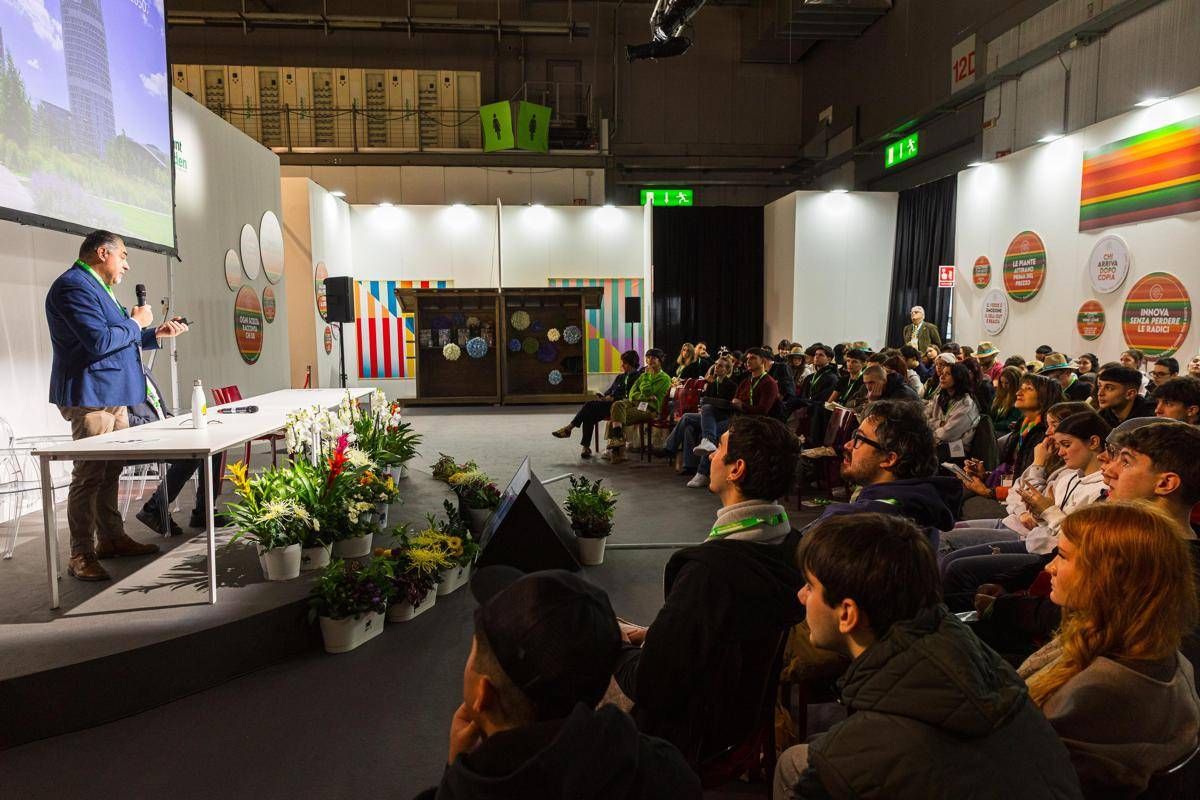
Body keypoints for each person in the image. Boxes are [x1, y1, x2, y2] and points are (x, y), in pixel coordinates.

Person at [774, 512, 1082, 800]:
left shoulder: (853, 751)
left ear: (847, 614)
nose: (801, 595)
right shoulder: (975, 657)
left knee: (791, 762)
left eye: (810, 586)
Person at [415, 567, 701, 800]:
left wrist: (456, 771)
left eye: (474, 650)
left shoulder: (463, 792)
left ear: (483, 693)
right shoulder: (666, 770)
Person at [614, 416, 804, 765]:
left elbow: (649, 685)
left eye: (720, 448)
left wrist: (616, 644)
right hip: (740, 716)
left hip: (690, 734)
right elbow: (727, 631)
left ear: (736, 469)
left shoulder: (710, 573)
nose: (712, 455)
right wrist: (653, 634)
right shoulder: (793, 544)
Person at [1018, 503, 1200, 798]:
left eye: (1062, 556)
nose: (1049, 567)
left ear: (1110, 575)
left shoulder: (1099, 692)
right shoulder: (1155, 651)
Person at [46, 230, 189, 581]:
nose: (127, 264)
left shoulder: (98, 288)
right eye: (123, 256)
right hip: (91, 397)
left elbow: (117, 338)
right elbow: (98, 342)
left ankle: (111, 539)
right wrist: (136, 322)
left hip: (114, 395)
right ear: (102, 253)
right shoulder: (73, 286)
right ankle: (80, 553)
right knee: (89, 475)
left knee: (111, 471)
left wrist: (153, 333)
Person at [941, 411, 1111, 610]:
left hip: (1043, 548)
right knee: (949, 545)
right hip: (1034, 538)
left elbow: (1075, 536)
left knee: (957, 566)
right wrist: (1036, 510)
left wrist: (1045, 510)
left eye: (1066, 445)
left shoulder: (1102, 488)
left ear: (1093, 442)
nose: (1059, 452)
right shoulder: (1069, 475)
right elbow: (1022, 491)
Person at [807, 399, 961, 533]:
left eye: (859, 439)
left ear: (889, 459)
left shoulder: (850, 521)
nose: (847, 445)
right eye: (854, 435)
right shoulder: (923, 505)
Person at [949, 399, 1087, 547]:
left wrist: (989, 491)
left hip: (1032, 535)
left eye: (1054, 425)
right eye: (1048, 425)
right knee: (952, 510)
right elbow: (1017, 486)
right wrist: (987, 475)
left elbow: (1034, 501)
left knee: (954, 524)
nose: (1048, 432)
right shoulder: (1031, 436)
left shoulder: (1065, 464)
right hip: (1015, 517)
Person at [128, 364, 224, 535]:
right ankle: (154, 508)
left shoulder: (144, 370)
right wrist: (154, 426)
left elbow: (160, 408)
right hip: (139, 438)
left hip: (161, 433)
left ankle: (204, 511)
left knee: (214, 445)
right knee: (193, 454)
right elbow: (124, 419)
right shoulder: (119, 376)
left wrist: (171, 421)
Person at [688, 348, 779, 487]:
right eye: (747, 358)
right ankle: (706, 448)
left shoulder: (769, 383)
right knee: (706, 409)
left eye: (753, 358)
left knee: (713, 432)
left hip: (754, 421)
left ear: (763, 361)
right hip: (736, 417)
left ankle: (702, 472)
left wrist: (742, 406)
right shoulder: (746, 381)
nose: (748, 361)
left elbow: (763, 410)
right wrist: (734, 405)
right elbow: (734, 403)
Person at [552, 349, 640, 458]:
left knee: (589, 406)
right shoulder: (620, 377)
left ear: (632, 363)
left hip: (620, 407)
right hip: (609, 404)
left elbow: (631, 396)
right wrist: (604, 396)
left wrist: (613, 398)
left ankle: (570, 429)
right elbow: (609, 391)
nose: (622, 365)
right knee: (588, 415)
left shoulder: (638, 377)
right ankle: (585, 447)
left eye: (625, 363)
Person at [656, 356, 737, 476]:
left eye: (720, 365)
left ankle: (669, 448)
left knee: (687, 417)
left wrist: (709, 401)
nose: (716, 367)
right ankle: (689, 466)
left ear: (727, 369)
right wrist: (709, 401)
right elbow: (705, 401)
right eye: (716, 364)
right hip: (708, 417)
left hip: (722, 419)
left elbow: (726, 405)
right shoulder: (712, 384)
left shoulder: (732, 385)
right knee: (688, 427)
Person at [604, 348, 670, 463]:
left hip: (650, 409)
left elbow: (648, 391)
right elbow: (632, 394)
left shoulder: (664, 378)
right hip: (635, 404)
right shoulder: (643, 375)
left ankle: (617, 452)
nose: (650, 360)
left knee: (616, 419)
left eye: (653, 358)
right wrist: (645, 397)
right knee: (617, 404)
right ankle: (618, 442)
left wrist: (647, 377)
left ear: (660, 360)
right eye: (648, 357)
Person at [926, 361, 980, 463]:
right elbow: (924, 418)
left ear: (958, 378)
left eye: (948, 374)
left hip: (959, 447)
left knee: (930, 454)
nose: (942, 377)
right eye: (942, 373)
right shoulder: (940, 397)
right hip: (938, 440)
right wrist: (939, 423)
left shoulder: (966, 404)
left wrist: (930, 431)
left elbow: (947, 434)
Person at [827, 347, 868, 414]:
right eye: (848, 361)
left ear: (863, 364)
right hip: (840, 411)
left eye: (854, 362)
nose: (850, 364)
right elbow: (830, 401)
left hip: (854, 414)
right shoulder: (843, 379)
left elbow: (863, 404)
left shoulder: (864, 381)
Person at [988, 365, 1025, 435]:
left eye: (1007, 383)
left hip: (1007, 432)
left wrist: (991, 425)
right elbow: (991, 414)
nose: (1003, 386)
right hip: (994, 429)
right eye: (1001, 382)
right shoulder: (999, 396)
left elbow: (1010, 422)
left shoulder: (1019, 398)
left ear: (1015, 383)